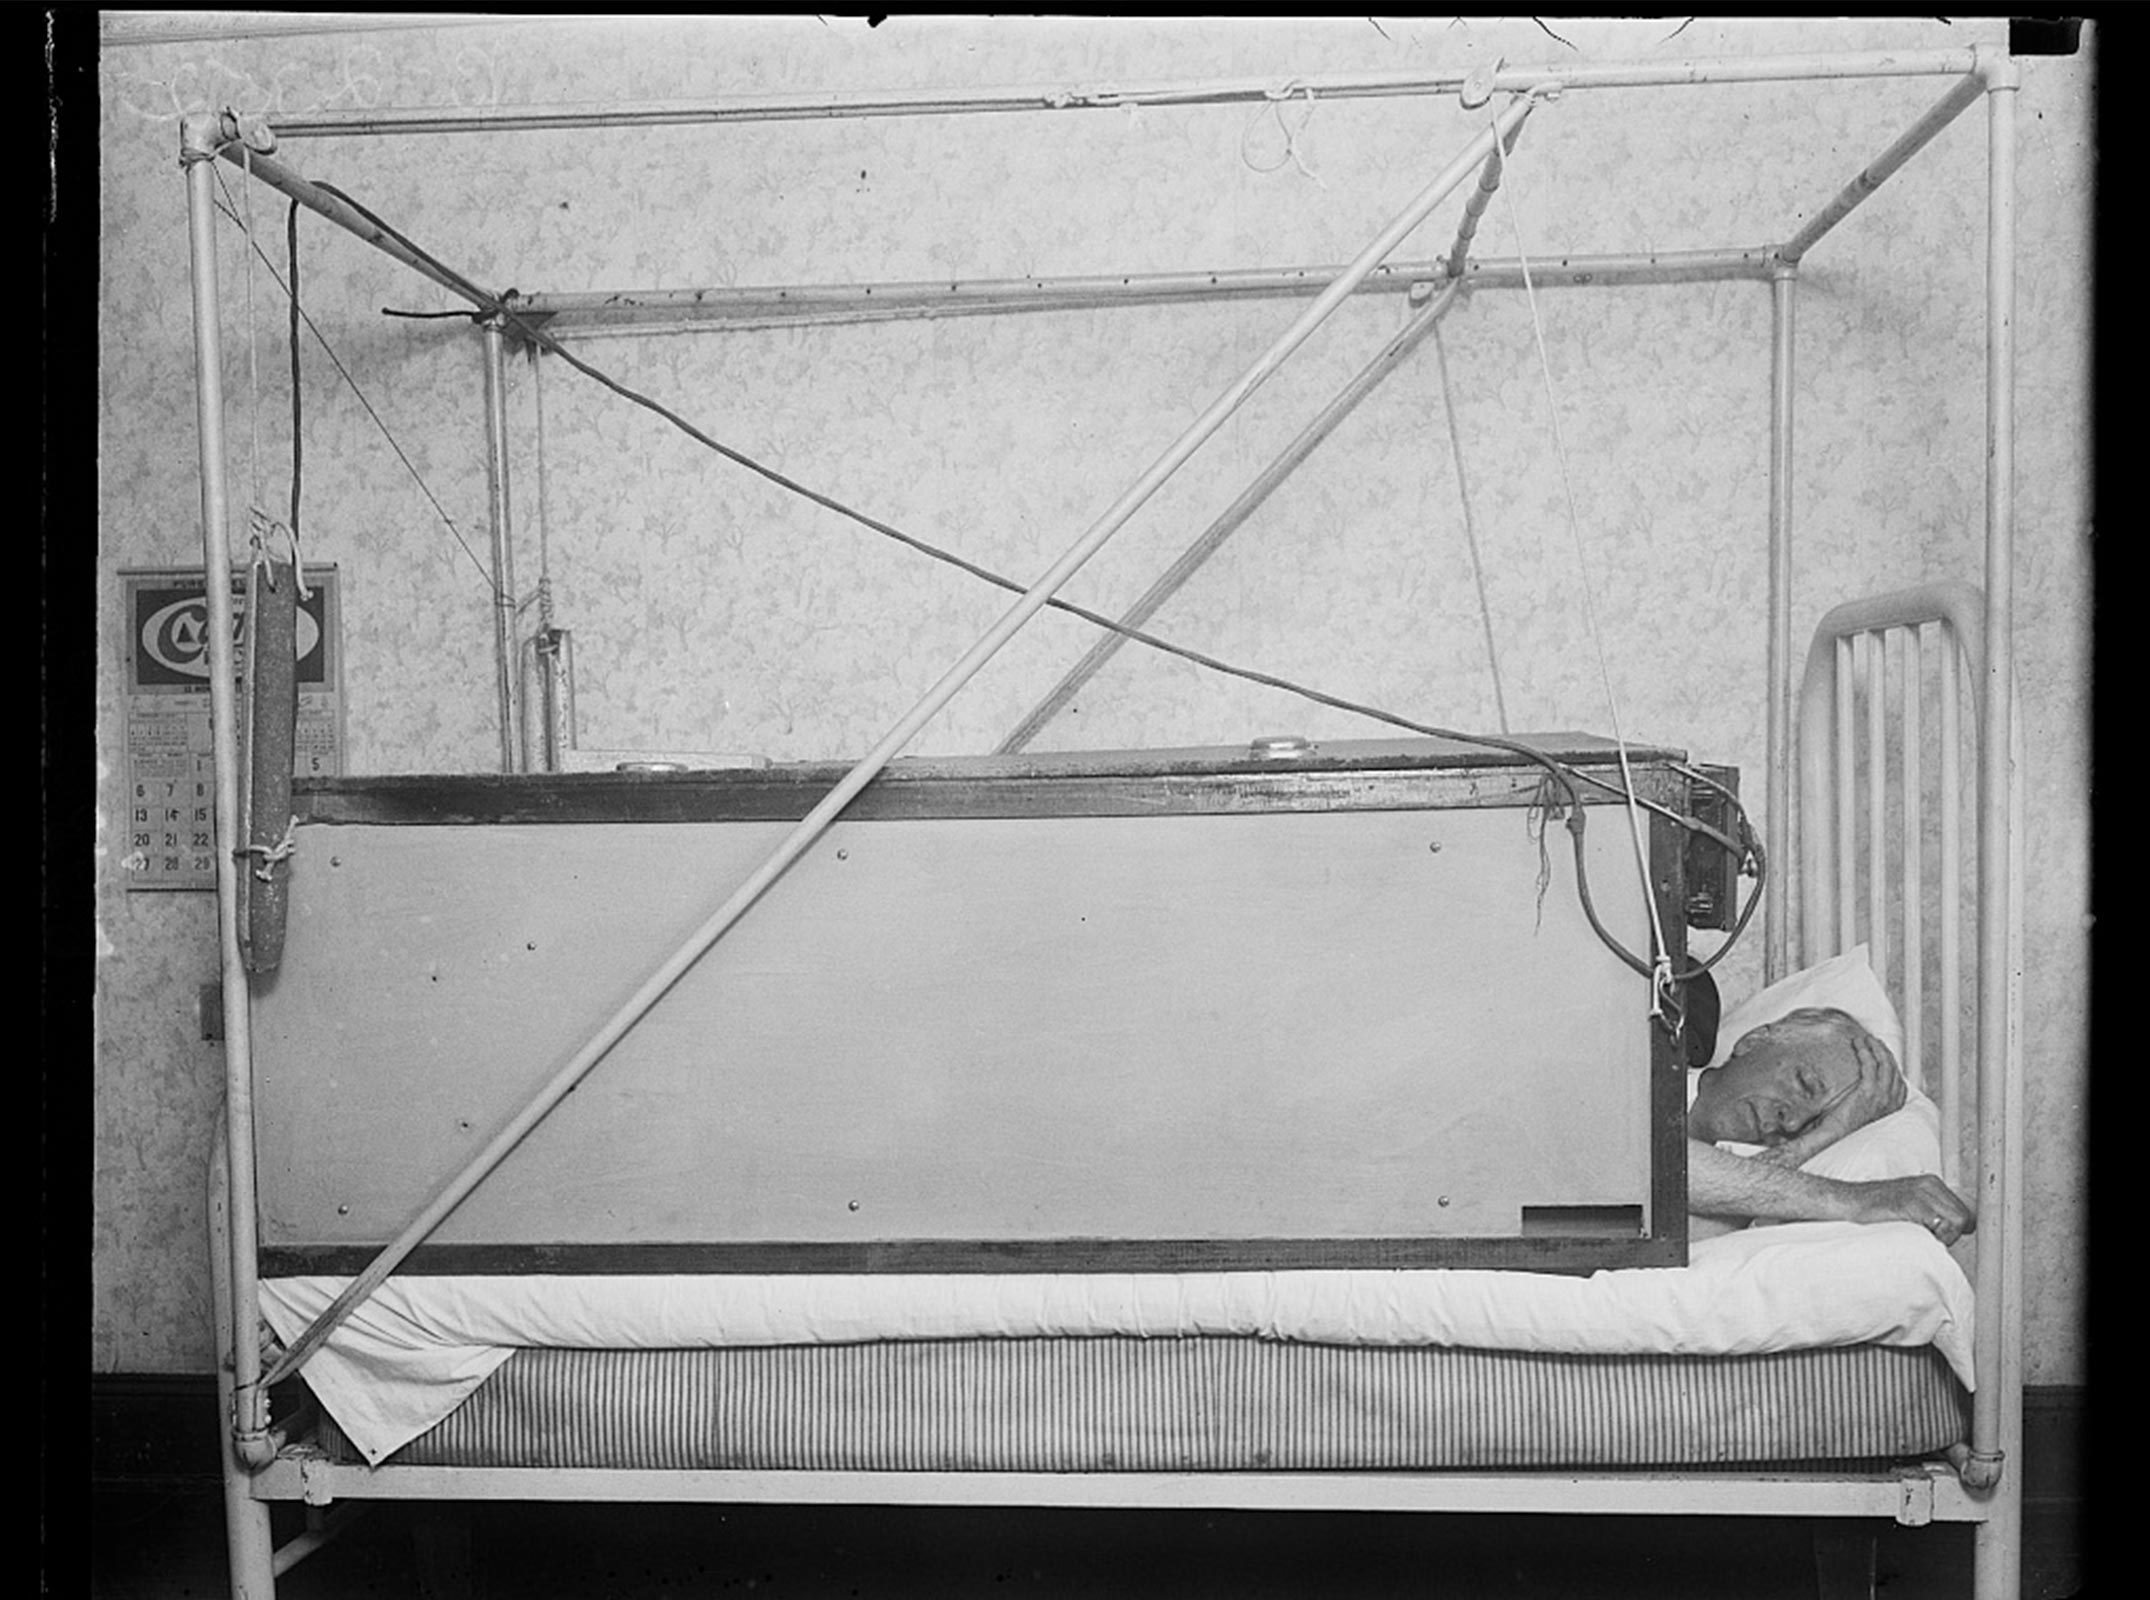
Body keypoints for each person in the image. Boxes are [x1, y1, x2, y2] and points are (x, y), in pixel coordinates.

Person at [1680, 990, 1975, 1246]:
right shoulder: (1644, 1059)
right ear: (1753, 1041)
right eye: (1805, 1084)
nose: (1792, 1124)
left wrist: (1814, 1143)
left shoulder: (1747, 1171)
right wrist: (1859, 1200)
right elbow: (1657, 1166)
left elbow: (1679, 1238)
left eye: (1811, 1126)